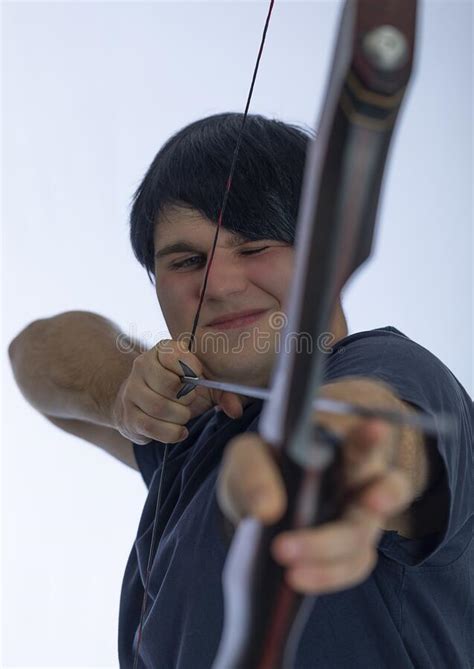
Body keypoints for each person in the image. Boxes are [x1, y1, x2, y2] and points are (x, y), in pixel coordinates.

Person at [9, 114, 473, 668]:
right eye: (187, 261)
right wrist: (124, 395)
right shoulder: (194, 430)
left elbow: (375, 427)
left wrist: (331, 473)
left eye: (254, 245)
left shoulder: (391, 366)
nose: (221, 285)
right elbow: (32, 352)